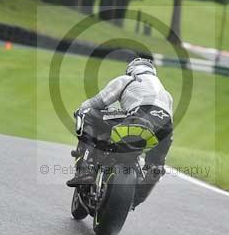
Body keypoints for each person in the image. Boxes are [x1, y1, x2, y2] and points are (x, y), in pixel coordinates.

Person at [67, 57, 174, 209]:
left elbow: (96, 103)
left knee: (85, 112)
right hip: (166, 129)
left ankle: (86, 168)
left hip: (138, 117)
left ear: (131, 69)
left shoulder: (127, 80)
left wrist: (81, 109)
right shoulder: (166, 94)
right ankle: (137, 197)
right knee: (156, 166)